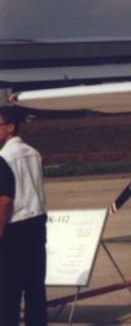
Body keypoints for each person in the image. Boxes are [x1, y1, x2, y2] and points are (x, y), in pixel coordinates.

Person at [0, 106, 48, 326]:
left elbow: (6, 201)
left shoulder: (3, 157)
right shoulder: (34, 152)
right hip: (37, 225)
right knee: (35, 287)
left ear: (10, 127)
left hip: (14, 226)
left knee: (9, 290)